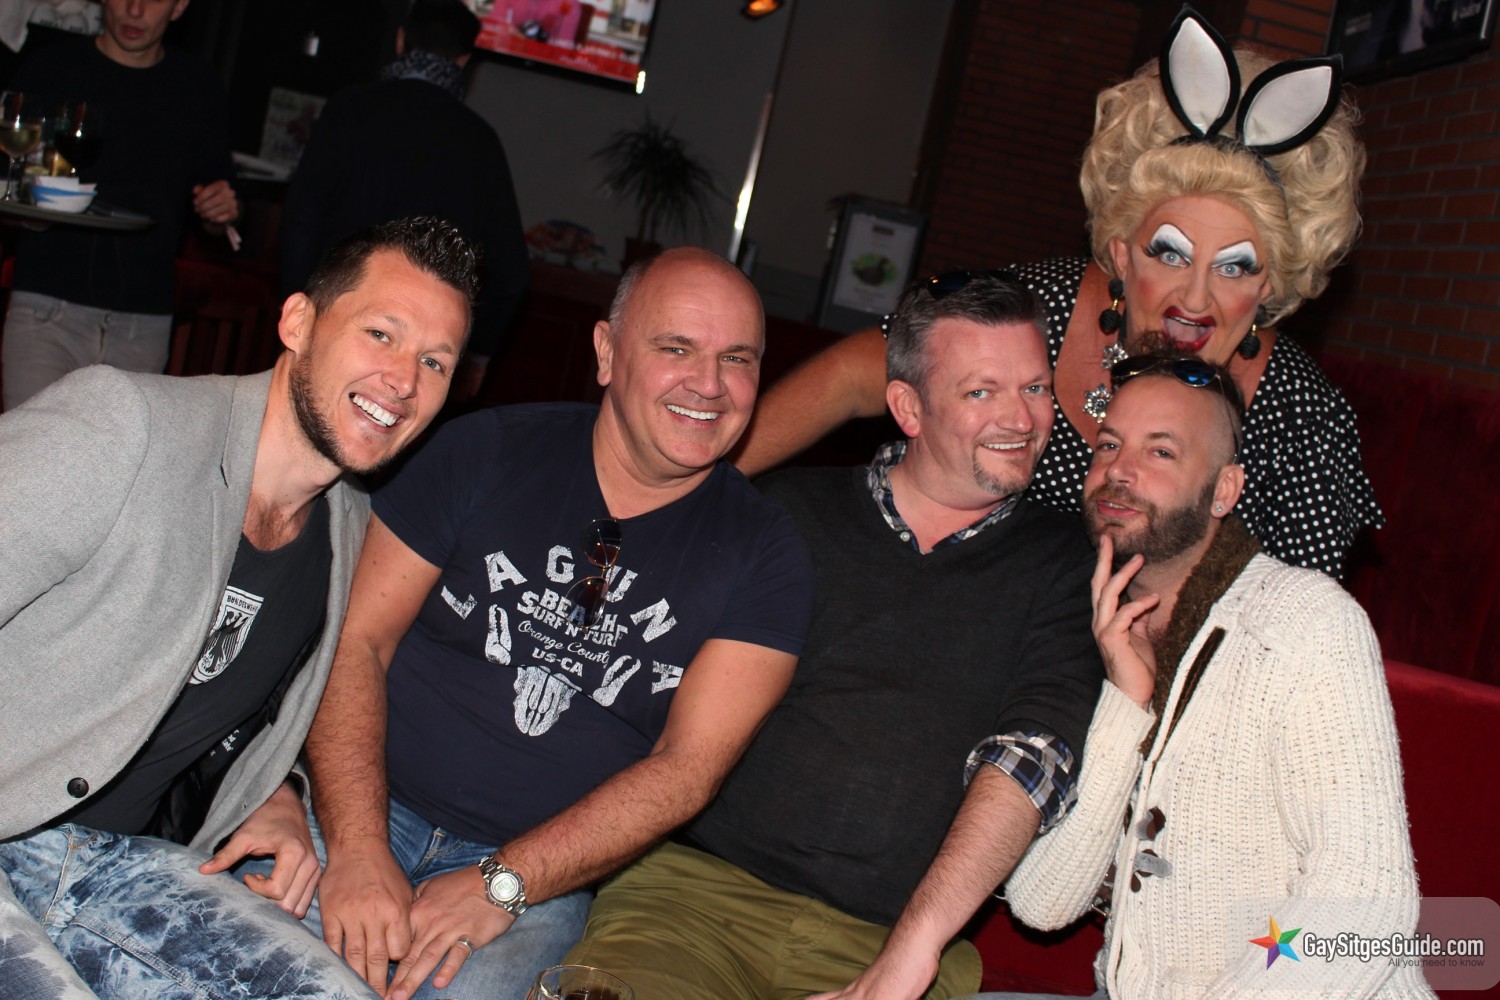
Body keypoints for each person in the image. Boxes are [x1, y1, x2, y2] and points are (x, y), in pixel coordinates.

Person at [565, 271, 1104, 1000]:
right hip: (695, 900)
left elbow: (1031, 758)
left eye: (1036, 388)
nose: (1021, 418)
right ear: (908, 407)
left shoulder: (1072, 564)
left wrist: (912, 951)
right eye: (982, 392)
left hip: (900, 937)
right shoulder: (786, 515)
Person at [297, 247, 815, 1000]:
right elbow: (355, 642)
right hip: (361, 805)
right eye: (676, 349)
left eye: (738, 358)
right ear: (606, 352)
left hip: (538, 878)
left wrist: (505, 882)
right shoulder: (484, 451)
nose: (709, 384)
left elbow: (688, 769)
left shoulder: (766, 554)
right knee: (257, 971)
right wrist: (355, 847)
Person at [0, 217, 478, 997]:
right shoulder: (124, 425)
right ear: (298, 323)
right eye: (381, 334)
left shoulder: (349, 530)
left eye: (435, 361)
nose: (403, 380)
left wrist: (274, 790)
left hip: (120, 869)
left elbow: (245, 695)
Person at [731, 8, 1380, 579]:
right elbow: (854, 376)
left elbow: (1297, 627)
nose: (1196, 296)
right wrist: (707, 491)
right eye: (1170, 254)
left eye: (1235, 268)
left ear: (1270, 284)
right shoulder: (1040, 309)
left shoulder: (1302, 420)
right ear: (1122, 253)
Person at [963, 354, 1430, 999]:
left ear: (1224, 491)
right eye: (1108, 445)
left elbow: (1368, 902)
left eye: (1161, 452)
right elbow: (1043, 902)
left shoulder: (1302, 620)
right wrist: (1127, 701)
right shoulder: (1101, 624)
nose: (1119, 470)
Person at [281, 0, 529, 404]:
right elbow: (512, 271)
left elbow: (301, 218)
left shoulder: (350, 108)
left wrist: (298, 306)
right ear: (464, 60)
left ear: (400, 40)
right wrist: (477, 354)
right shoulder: (479, 141)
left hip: (335, 324)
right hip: (416, 357)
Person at [1, 0, 242, 410]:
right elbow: (10, 184)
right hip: (45, 309)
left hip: (142, 322)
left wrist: (223, 211)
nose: (135, 9)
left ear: (179, 7)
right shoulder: (50, 69)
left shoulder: (197, 88)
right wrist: (31, 208)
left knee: (122, 453)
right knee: (34, 448)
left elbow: (218, 210)